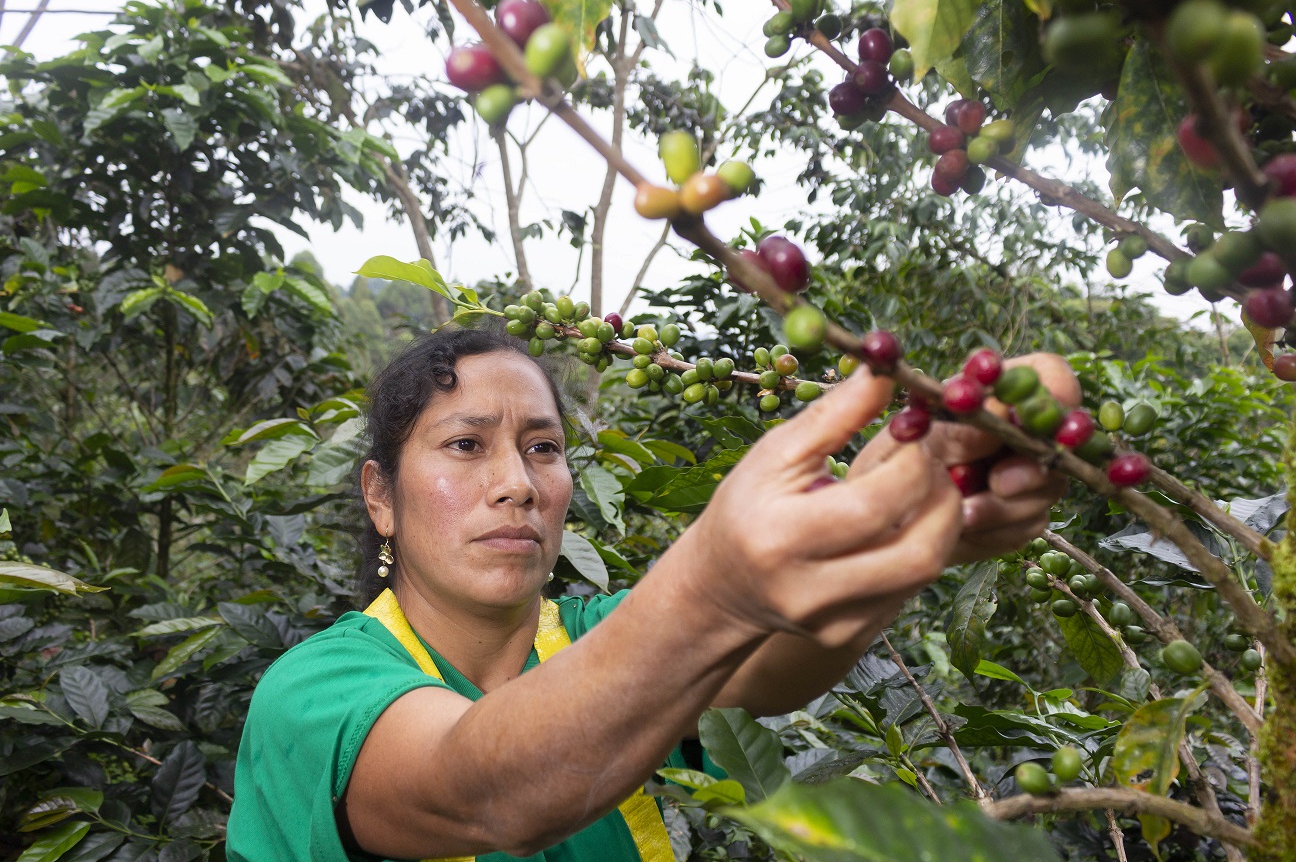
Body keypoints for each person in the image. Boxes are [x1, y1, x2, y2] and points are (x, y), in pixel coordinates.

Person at [226, 323, 1078, 862]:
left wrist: (911, 508)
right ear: (381, 496)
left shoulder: (600, 638)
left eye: (544, 448)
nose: (516, 484)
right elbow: (481, 790)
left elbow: (774, 660)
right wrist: (715, 586)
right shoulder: (313, 694)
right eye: (464, 446)